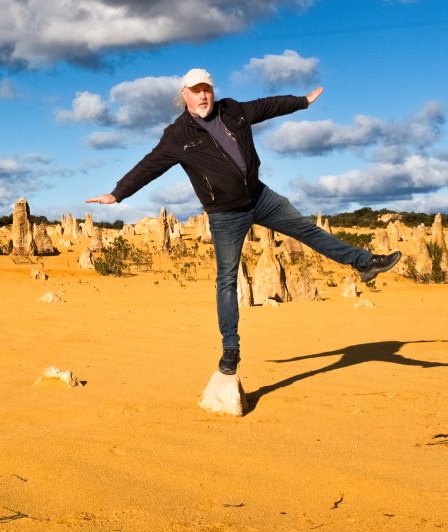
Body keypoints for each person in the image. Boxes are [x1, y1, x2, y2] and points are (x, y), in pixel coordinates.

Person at [86, 68, 401, 376]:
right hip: (225, 215)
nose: (203, 96)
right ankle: (230, 349)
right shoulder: (177, 137)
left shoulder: (231, 110)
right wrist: (117, 194)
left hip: (260, 198)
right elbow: (149, 166)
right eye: (196, 91)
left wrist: (301, 101)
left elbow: (266, 106)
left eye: (206, 89)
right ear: (184, 96)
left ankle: (364, 262)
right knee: (226, 278)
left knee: (307, 229)